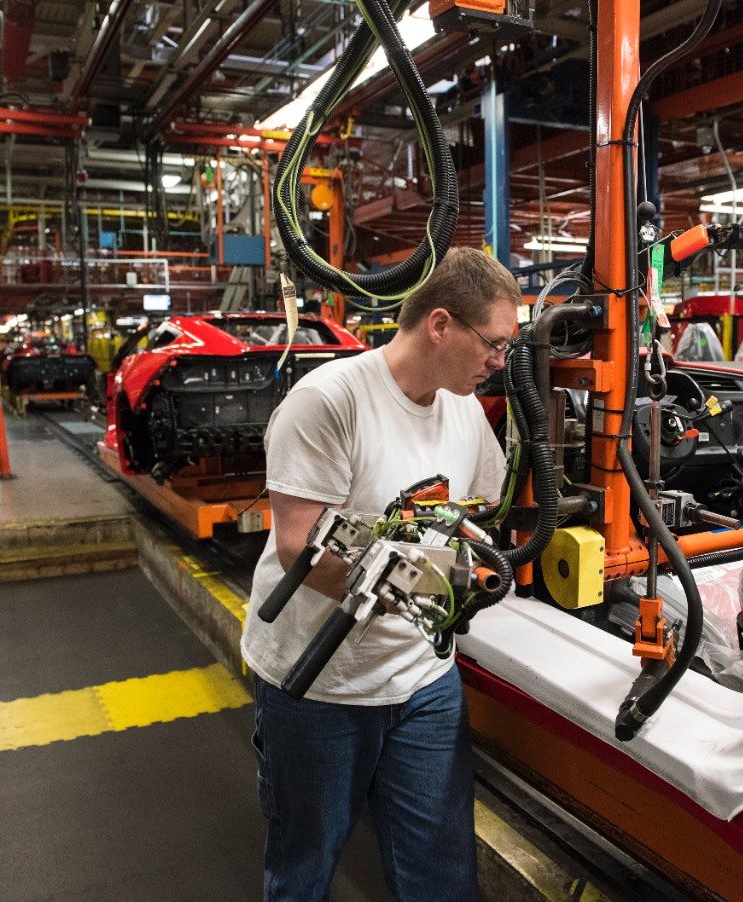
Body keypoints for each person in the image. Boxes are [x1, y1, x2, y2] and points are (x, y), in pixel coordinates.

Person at [242, 247, 521, 901]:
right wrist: (434, 589)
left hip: (422, 682)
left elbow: (477, 519)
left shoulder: (463, 411)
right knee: (306, 862)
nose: (500, 363)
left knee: (440, 869)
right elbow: (296, 547)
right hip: (318, 685)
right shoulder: (330, 401)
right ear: (441, 324)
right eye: (495, 344)